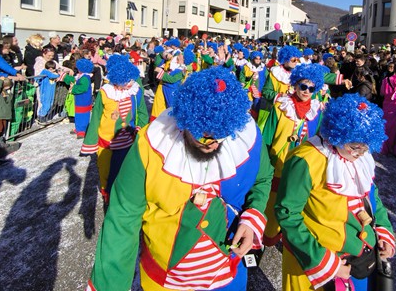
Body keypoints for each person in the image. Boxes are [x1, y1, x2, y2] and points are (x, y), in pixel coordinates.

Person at [86, 67, 273, 290]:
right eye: (204, 136)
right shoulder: (152, 144)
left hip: (229, 277)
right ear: (185, 122)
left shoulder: (247, 137)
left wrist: (252, 216)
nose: (214, 145)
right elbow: (122, 218)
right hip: (165, 281)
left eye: (223, 136)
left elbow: (263, 179)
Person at [275, 94, 395, 291]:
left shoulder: (361, 159)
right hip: (318, 261)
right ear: (337, 135)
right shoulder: (306, 159)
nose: (359, 154)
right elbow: (287, 214)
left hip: (359, 258)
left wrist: (383, 231)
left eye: (365, 148)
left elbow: (372, 196)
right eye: (354, 147)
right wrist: (326, 262)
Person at [261, 63, 326, 245]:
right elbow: (267, 137)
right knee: (274, 200)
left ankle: (291, 239)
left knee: (297, 203)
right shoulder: (281, 107)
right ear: (295, 85)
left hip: (303, 168)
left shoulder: (316, 112)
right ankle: (268, 236)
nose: (306, 91)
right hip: (278, 163)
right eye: (303, 86)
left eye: (311, 88)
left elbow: (319, 140)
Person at [80, 55, 149, 205]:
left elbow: (142, 112)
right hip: (106, 140)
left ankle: (122, 195)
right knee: (105, 170)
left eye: (132, 80)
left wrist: (141, 130)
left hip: (128, 139)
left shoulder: (135, 91)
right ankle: (107, 193)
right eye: (128, 81)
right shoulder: (105, 92)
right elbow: (96, 116)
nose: (132, 83)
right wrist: (90, 141)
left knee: (125, 170)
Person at [72, 58, 94, 139]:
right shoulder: (81, 76)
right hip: (80, 99)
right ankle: (78, 128)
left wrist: (73, 88)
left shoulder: (85, 77)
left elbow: (83, 88)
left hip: (84, 100)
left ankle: (82, 130)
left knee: (83, 115)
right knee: (78, 113)